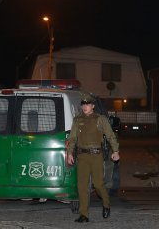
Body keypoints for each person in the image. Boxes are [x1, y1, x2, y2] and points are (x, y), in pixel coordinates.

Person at [67, 95, 120, 223]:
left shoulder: (100, 119)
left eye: (88, 104)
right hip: (82, 156)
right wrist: (69, 153)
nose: (85, 106)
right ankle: (84, 214)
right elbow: (72, 138)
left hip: (96, 155)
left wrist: (116, 151)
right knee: (82, 186)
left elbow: (110, 135)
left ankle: (106, 204)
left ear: (93, 106)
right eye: (83, 104)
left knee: (98, 184)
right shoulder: (77, 120)